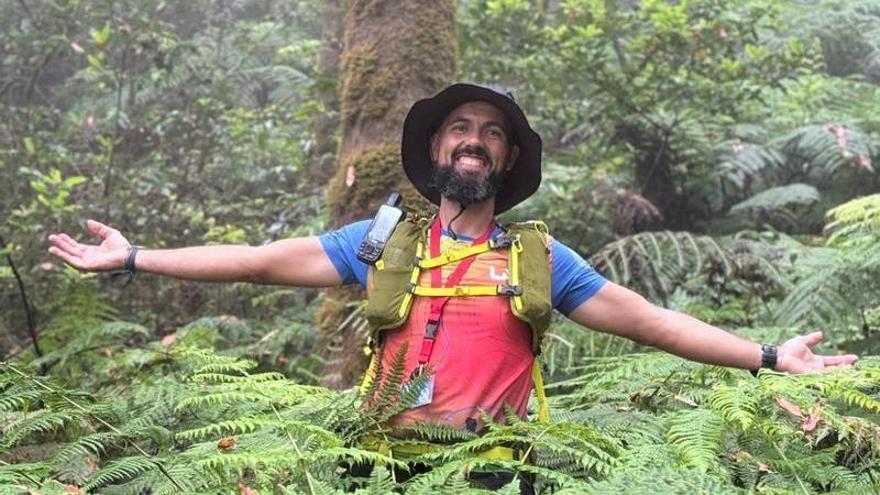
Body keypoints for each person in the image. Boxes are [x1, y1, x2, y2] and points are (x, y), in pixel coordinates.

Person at [47, 83, 858, 486]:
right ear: (437, 150)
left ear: (506, 161)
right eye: (460, 130)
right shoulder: (378, 243)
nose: (473, 143)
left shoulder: (540, 259)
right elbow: (259, 258)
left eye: (491, 135)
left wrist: (767, 354)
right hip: (380, 468)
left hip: (496, 473)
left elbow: (649, 322)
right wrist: (134, 256)